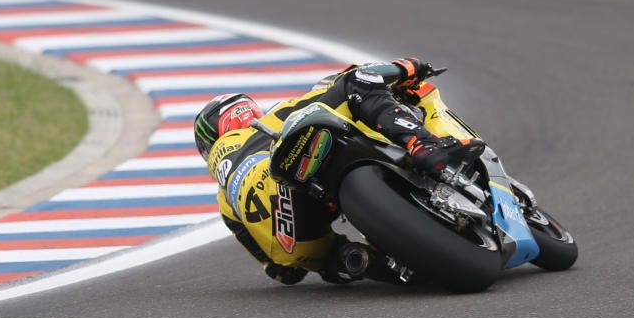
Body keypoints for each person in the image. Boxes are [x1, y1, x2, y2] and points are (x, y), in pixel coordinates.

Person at [194, 57, 479, 285]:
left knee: (331, 259)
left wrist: (319, 263)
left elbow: (282, 273)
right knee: (358, 82)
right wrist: (409, 67)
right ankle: (424, 146)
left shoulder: (224, 203)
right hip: (287, 168)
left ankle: (359, 261)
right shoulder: (281, 113)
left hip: (295, 240)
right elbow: (354, 76)